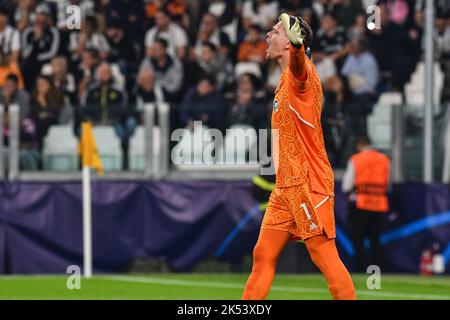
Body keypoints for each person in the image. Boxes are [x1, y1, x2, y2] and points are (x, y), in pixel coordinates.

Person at [242, 13, 356, 300]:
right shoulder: (283, 80)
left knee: (324, 255)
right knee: (263, 254)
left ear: (291, 42)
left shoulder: (300, 74)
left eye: (276, 31)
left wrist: (296, 48)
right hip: (285, 187)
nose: (268, 35)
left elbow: (299, 68)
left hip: (308, 183)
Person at [342, 135, 390, 272]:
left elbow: (347, 185)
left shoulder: (356, 159)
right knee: (375, 239)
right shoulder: (384, 159)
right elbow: (388, 183)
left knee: (358, 238)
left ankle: (361, 268)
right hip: (380, 204)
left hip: (360, 204)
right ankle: (376, 269)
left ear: (359, 145)